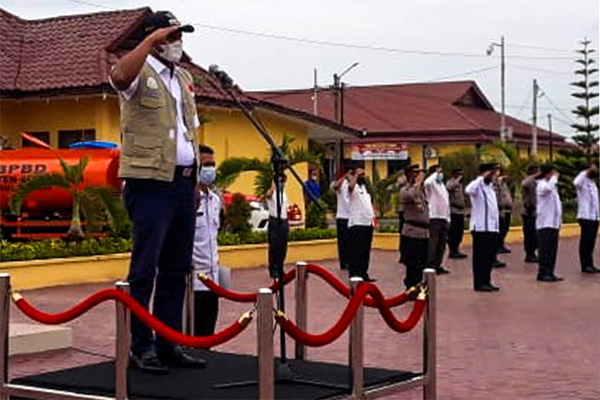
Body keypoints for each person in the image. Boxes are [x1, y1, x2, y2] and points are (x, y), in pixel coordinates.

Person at [110, 11, 204, 373]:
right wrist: (149, 42)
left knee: (176, 268)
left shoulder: (182, 77)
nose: (178, 41)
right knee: (145, 267)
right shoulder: (138, 72)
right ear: (154, 38)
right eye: (171, 35)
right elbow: (118, 78)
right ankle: (140, 346)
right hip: (149, 181)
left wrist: (195, 178)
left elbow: (189, 131)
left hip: (181, 182)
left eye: (180, 35)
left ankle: (168, 343)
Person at [192, 145, 221, 336]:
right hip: (193, 282)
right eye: (206, 165)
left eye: (212, 164)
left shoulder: (215, 200)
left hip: (214, 279)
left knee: (208, 333)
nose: (210, 169)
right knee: (191, 333)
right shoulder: (188, 201)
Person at [465, 163, 501, 292]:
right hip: (481, 228)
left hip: (492, 228)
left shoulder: (490, 187)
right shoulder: (477, 186)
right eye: (492, 173)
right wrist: (481, 177)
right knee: (480, 258)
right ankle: (479, 283)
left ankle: (487, 281)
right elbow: (468, 190)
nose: (494, 176)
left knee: (489, 257)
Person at [400, 165, 429, 289]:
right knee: (413, 263)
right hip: (412, 232)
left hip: (424, 232)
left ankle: (419, 284)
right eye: (415, 173)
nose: (418, 175)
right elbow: (410, 196)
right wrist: (417, 183)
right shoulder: (405, 190)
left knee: (422, 263)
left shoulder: (420, 190)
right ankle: (411, 287)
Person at [347, 163, 376, 282]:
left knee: (365, 251)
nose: (362, 176)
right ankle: (355, 274)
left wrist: (373, 217)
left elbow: (369, 203)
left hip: (367, 223)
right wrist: (355, 176)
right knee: (356, 251)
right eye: (360, 174)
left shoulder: (364, 188)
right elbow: (350, 187)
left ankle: (364, 273)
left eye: (363, 174)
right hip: (357, 223)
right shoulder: (352, 188)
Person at [535, 164, 563, 282]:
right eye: (552, 172)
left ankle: (550, 272)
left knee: (552, 250)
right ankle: (543, 273)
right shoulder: (541, 185)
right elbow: (547, 189)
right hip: (545, 223)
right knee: (545, 250)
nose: (554, 175)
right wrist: (554, 178)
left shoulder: (552, 186)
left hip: (553, 223)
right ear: (547, 173)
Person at [423, 165, 450, 274]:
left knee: (442, 243)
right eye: (439, 172)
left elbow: (446, 202)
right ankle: (431, 265)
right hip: (434, 217)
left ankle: (438, 264)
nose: (441, 174)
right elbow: (427, 183)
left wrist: (448, 218)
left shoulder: (442, 185)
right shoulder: (431, 184)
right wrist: (434, 175)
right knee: (433, 243)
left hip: (444, 217)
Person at [574, 163, 600, 274]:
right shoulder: (582, 182)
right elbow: (576, 182)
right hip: (585, 216)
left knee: (591, 242)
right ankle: (585, 265)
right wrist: (585, 172)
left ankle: (590, 263)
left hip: (594, 217)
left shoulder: (593, 183)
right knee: (585, 241)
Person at [331, 161, 354, 270]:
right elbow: (335, 187)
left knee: (351, 242)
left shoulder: (354, 183)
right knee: (343, 242)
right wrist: (344, 177)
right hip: (342, 217)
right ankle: (343, 263)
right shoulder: (340, 183)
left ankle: (350, 262)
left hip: (353, 217)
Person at [266, 174, 289, 279]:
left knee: (282, 247)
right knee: (274, 246)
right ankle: (273, 269)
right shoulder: (272, 193)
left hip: (284, 221)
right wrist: (274, 185)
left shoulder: (284, 194)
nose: (282, 184)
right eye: (280, 181)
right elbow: (267, 195)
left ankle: (280, 267)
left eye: (283, 181)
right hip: (275, 221)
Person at [446, 168, 467, 259]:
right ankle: (452, 251)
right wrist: (456, 180)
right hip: (453, 211)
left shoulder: (460, 185)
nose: (461, 176)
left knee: (459, 232)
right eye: (459, 174)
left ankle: (457, 249)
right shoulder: (450, 182)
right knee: (453, 233)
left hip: (460, 211)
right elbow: (448, 188)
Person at [521, 165, 540, 263]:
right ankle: (529, 254)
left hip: (534, 212)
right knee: (529, 234)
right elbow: (524, 183)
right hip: (528, 211)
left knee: (534, 234)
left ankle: (532, 252)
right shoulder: (528, 181)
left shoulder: (536, 182)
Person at [495, 168, 513, 255]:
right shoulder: (494, 184)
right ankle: (498, 245)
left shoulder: (504, 184)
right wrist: (498, 182)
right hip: (500, 210)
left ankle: (501, 244)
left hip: (507, 209)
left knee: (505, 228)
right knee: (501, 228)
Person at [396, 173, 408, 263]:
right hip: (404, 212)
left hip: (407, 212)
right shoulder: (404, 189)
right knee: (404, 235)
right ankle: (403, 256)